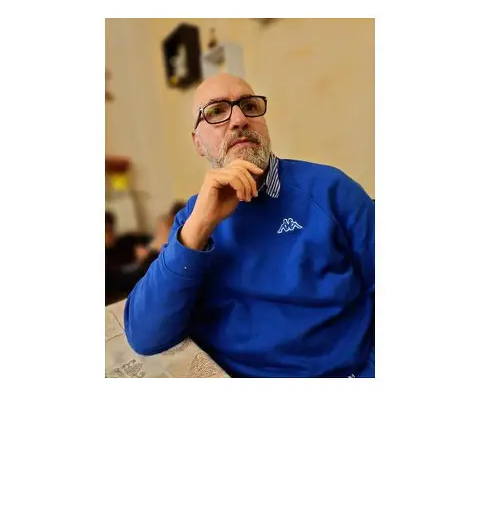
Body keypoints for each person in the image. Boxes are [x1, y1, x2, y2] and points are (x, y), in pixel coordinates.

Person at [124, 73, 375, 377]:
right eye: (216, 111)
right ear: (198, 143)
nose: (239, 119)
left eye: (250, 106)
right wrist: (200, 226)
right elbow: (145, 336)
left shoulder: (331, 190)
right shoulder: (193, 219)